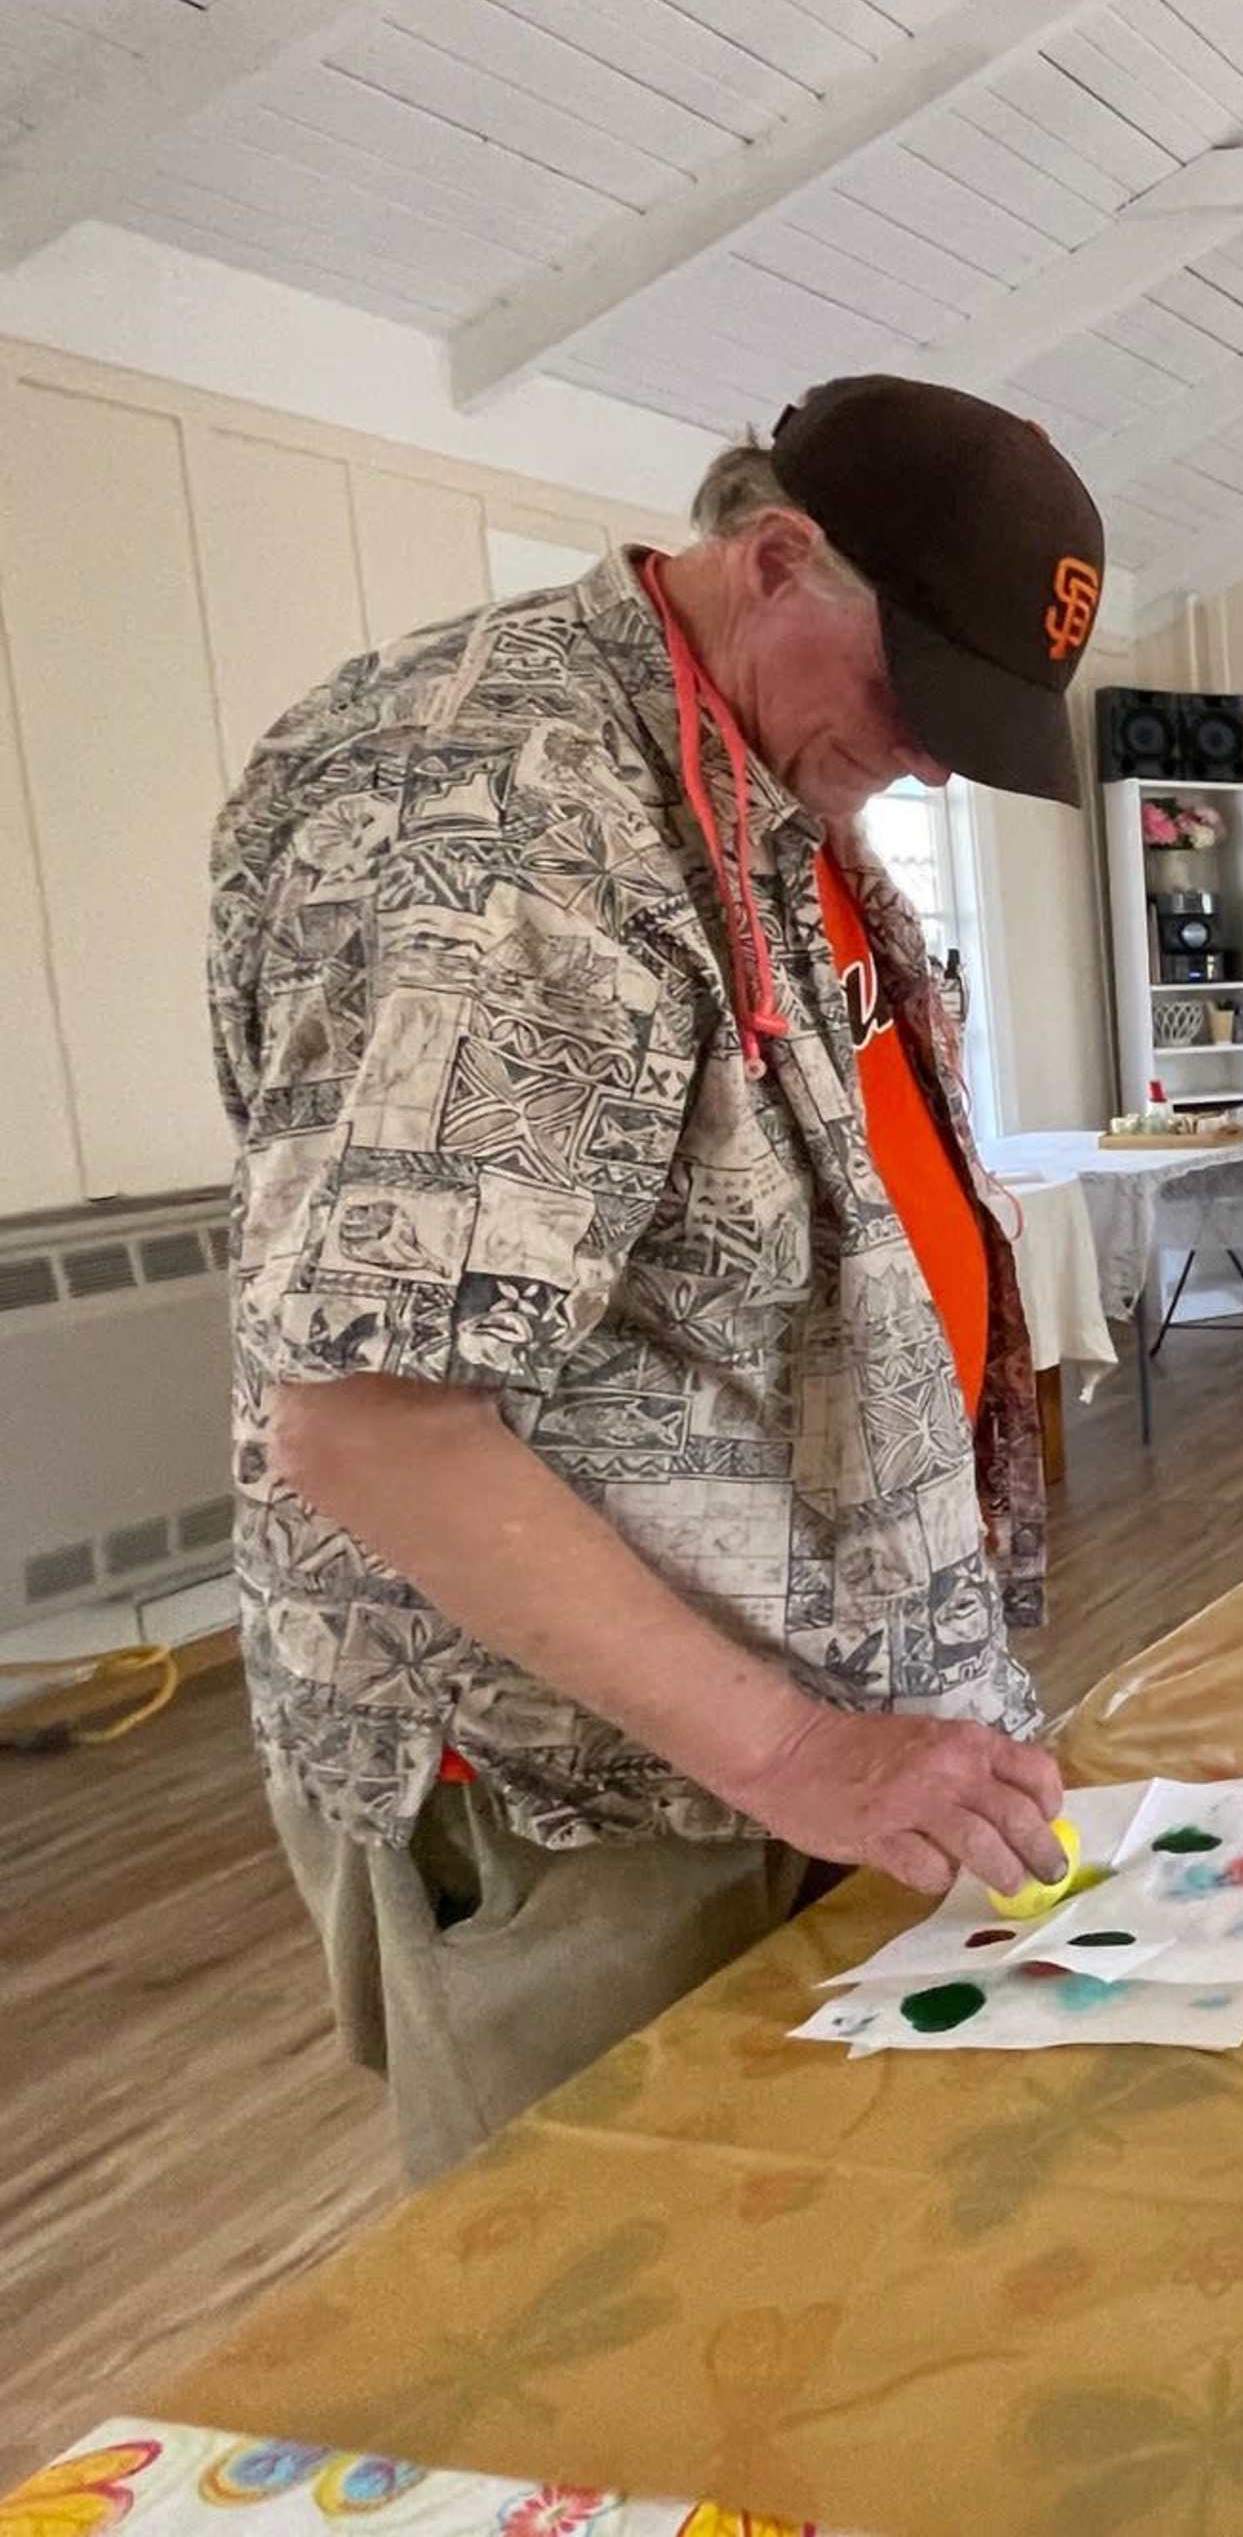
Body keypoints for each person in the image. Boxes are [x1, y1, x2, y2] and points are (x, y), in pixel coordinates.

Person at [208, 375, 1110, 2175]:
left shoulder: (755, 768)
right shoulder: (501, 810)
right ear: (777, 560)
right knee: (625, 2344)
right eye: (916, 700)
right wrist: (792, 1749)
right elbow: (375, 1422)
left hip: (806, 1743)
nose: (926, 759)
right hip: (593, 1794)